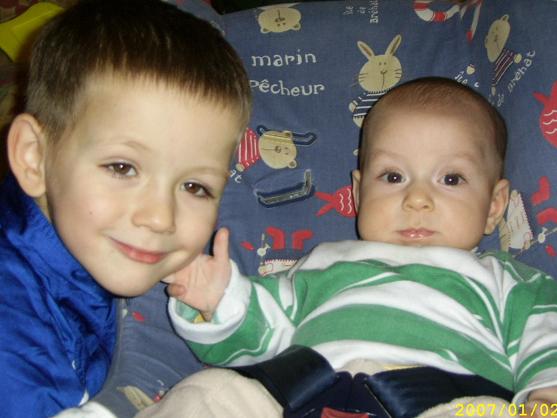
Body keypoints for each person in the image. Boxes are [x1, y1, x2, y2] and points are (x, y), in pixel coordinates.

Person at [136, 77, 557, 418]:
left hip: (446, 399)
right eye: (393, 177)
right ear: (358, 193)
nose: (417, 199)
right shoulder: (322, 263)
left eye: (451, 179)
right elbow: (259, 332)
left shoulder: (509, 282)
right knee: (210, 394)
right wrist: (217, 299)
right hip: (300, 393)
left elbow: (547, 341)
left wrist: (546, 397)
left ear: (494, 206)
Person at [0, 0, 251, 417]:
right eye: (122, 167)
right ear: (34, 158)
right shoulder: (12, 327)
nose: (160, 217)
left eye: (195, 187)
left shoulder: (92, 245)